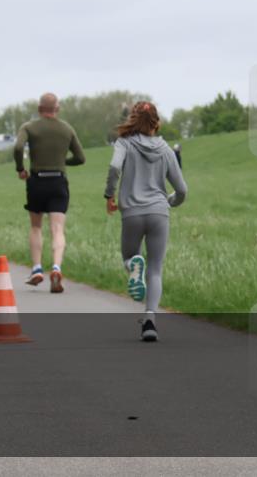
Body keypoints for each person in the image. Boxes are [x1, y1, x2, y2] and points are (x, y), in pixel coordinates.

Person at [105, 102, 188, 342]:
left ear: (133, 119)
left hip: (131, 213)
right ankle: (150, 320)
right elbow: (182, 189)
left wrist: (109, 194)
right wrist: (169, 202)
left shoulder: (124, 143)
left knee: (129, 258)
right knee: (155, 270)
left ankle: (133, 266)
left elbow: (113, 168)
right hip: (158, 213)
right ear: (157, 122)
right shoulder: (165, 150)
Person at [13, 92, 86, 293]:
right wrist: (63, 162)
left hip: (37, 181)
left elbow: (18, 146)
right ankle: (56, 267)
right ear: (57, 109)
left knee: (36, 227)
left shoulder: (29, 127)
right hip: (58, 182)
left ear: (39, 109)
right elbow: (81, 157)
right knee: (57, 229)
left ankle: (37, 268)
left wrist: (20, 168)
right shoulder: (67, 129)